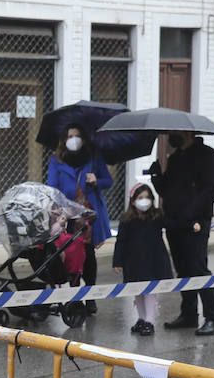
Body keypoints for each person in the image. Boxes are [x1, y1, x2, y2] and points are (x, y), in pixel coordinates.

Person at [150, 132, 214, 336]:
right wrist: (157, 177)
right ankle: (189, 314)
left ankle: (213, 318)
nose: (172, 137)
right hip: (174, 222)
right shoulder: (176, 158)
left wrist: (190, 215)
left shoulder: (208, 157)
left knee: (198, 269)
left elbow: (212, 190)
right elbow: (167, 191)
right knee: (183, 270)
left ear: (188, 134)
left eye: (176, 133)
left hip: (195, 223)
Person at [45, 124, 113, 305]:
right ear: (64, 140)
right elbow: (52, 186)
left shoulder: (93, 158)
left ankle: (90, 296)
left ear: (83, 139)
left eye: (76, 135)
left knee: (89, 255)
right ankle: (75, 297)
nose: (72, 139)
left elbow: (109, 181)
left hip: (89, 216)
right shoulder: (56, 161)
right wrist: (58, 206)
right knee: (72, 254)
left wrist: (96, 180)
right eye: (69, 136)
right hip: (68, 215)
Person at [112, 183, 173, 336]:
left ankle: (149, 321)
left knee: (150, 291)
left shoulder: (157, 216)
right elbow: (121, 241)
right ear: (133, 201)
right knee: (138, 291)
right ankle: (141, 318)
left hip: (154, 259)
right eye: (140, 198)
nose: (144, 201)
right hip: (133, 261)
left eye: (147, 198)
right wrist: (117, 262)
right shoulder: (126, 219)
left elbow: (172, 223)